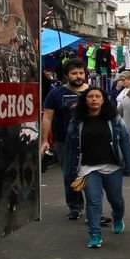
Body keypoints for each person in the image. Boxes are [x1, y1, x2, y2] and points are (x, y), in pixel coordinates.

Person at [66, 87, 130, 248]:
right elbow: (70, 146)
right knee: (93, 201)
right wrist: (70, 171)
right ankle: (95, 234)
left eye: (98, 96)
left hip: (112, 167)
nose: (94, 99)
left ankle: (117, 218)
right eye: (90, 96)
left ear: (104, 100)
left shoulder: (114, 119)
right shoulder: (77, 121)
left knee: (116, 200)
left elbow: (125, 139)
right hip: (88, 169)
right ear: (85, 100)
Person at [41, 58, 90, 220]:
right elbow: (47, 117)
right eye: (74, 73)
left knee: (91, 174)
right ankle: (75, 206)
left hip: (89, 140)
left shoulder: (93, 92)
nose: (78, 76)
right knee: (69, 174)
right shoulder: (56, 93)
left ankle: (93, 206)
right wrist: (44, 140)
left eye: (81, 73)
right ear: (66, 75)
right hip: (64, 141)